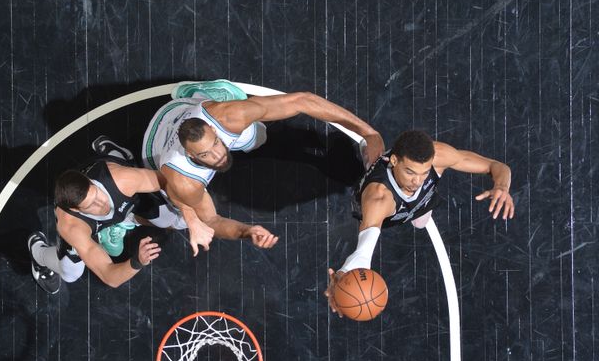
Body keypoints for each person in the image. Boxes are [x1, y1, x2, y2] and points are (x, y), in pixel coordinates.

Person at [142, 79, 384, 249]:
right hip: (155, 142)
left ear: (215, 130)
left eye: (216, 144)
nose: (217, 156)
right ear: (192, 157)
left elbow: (302, 101)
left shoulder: (227, 117)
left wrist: (368, 132)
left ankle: (202, 95)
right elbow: (212, 220)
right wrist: (246, 232)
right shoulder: (185, 180)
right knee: (180, 222)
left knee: (257, 136)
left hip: (184, 110)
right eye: (205, 155)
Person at [325, 129, 515, 314]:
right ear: (394, 161)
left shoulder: (439, 155)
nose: (417, 181)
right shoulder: (378, 199)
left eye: (424, 173)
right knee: (373, 158)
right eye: (410, 172)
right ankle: (371, 161)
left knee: (420, 218)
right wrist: (345, 274)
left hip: (419, 205)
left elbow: (496, 166)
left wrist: (501, 186)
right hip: (385, 213)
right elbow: (364, 251)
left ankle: (415, 206)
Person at [27, 136, 211, 294]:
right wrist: (137, 262)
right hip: (108, 209)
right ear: (76, 210)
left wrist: (192, 219)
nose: (102, 204)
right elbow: (109, 276)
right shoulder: (72, 225)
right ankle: (37, 251)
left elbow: (170, 181)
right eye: (91, 205)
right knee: (70, 274)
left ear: (91, 182)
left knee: (173, 219)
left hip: (116, 179)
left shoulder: (120, 179)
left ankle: (114, 154)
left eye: (96, 194)